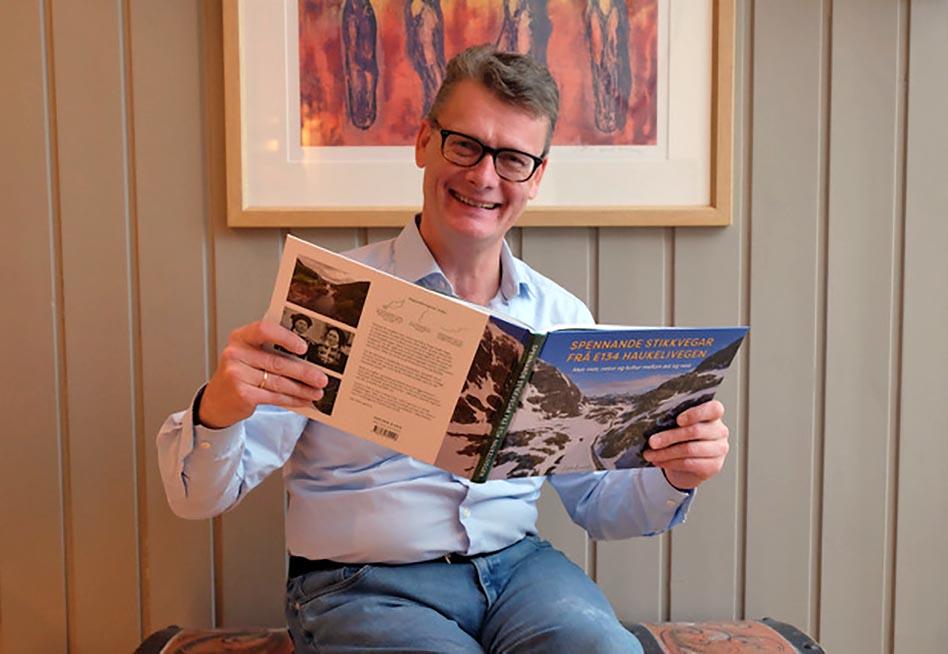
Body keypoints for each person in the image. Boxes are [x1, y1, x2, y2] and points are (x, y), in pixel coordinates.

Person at [157, 45, 731, 654]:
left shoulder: (558, 317)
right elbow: (198, 498)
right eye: (465, 146)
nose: (484, 177)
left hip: (519, 572)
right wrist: (219, 409)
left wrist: (674, 474)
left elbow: (599, 506)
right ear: (424, 142)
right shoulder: (332, 296)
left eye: (512, 159)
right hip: (359, 583)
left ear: (536, 177)